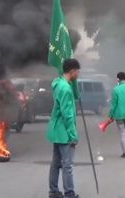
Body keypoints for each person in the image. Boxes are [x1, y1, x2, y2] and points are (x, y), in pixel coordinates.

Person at [47, 58, 80, 198]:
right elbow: (68, 115)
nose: (78, 74)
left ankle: (53, 191)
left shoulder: (58, 84)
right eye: (77, 71)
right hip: (64, 132)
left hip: (56, 130)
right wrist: (73, 135)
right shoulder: (66, 88)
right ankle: (69, 193)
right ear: (72, 71)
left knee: (55, 163)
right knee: (67, 165)